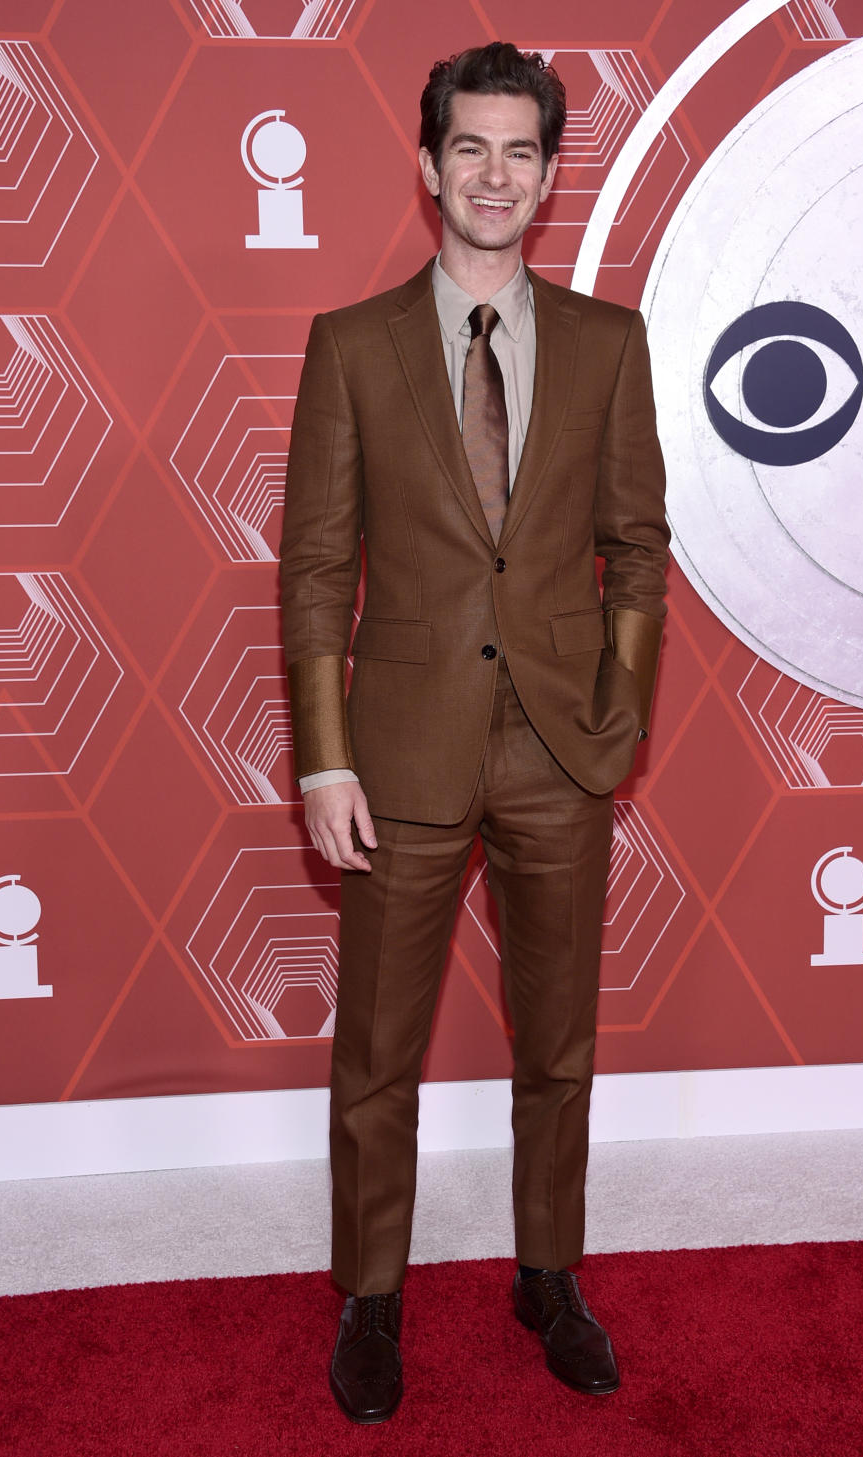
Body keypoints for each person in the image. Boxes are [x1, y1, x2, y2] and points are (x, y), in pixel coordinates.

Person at [280, 41, 669, 1424]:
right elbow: (319, 567)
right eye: (470, 149)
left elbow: (637, 545)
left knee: (556, 1041)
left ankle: (547, 1274)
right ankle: (370, 1296)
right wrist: (324, 752)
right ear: (429, 166)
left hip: (563, 752)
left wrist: (616, 720)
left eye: (520, 152)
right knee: (377, 1048)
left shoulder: (612, 345)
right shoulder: (352, 344)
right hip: (400, 753)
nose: (493, 176)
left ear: (549, 176)